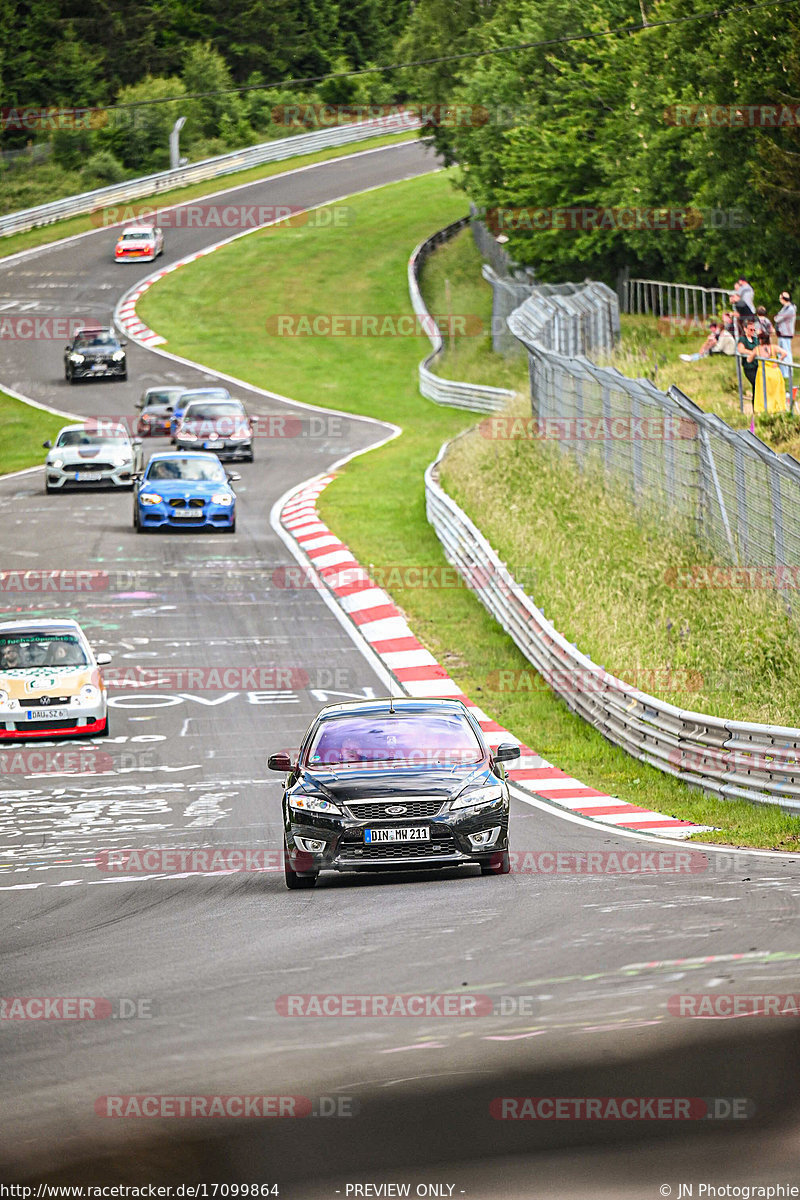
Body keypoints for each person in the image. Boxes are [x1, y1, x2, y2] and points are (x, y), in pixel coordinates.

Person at [754, 334, 788, 413]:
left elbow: (750, 358)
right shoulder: (774, 347)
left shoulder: (758, 349)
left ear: (761, 340)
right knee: (776, 392)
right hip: (775, 372)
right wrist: (778, 361)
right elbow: (784, 353)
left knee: (764, 392)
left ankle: (765, 409)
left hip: (763, 373)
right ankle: (777, 408)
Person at [774, 289, 796, 392]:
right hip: (782, 333)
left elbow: (778, 318)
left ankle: (788, 371)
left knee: (786, 352)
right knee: (781, 352)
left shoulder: (790, 308)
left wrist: (777, 317)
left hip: (786, 333)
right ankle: (784, 371)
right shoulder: (785, 308)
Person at [737, 317, 761, 413]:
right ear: (745, 329)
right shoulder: (742, 339)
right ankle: (755, 407)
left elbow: (760, 349)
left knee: (758, 385)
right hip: (748, 367)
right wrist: (752, 352)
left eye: (754, 329)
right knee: (755, 384)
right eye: (750, 329)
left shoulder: (756, 339)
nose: (752, 331)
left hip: (757, 366)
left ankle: (757, 406)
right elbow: (741, 350)